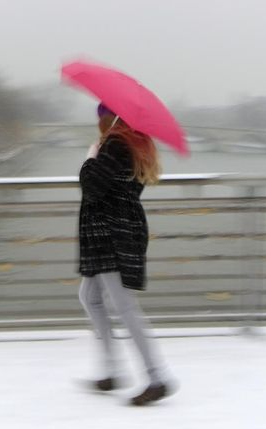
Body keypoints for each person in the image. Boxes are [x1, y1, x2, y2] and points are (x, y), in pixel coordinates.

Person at [77, 103, 173, 406]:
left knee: (125, 307)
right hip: (117, 231)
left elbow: (92, 187)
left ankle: (157, 377)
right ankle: (112, 370)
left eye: (100, 118)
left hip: (111, 234)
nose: (98, 124)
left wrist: (90, 158)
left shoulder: (116, 145)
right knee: (90, 297)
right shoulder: (133, 144)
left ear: (109, 118)